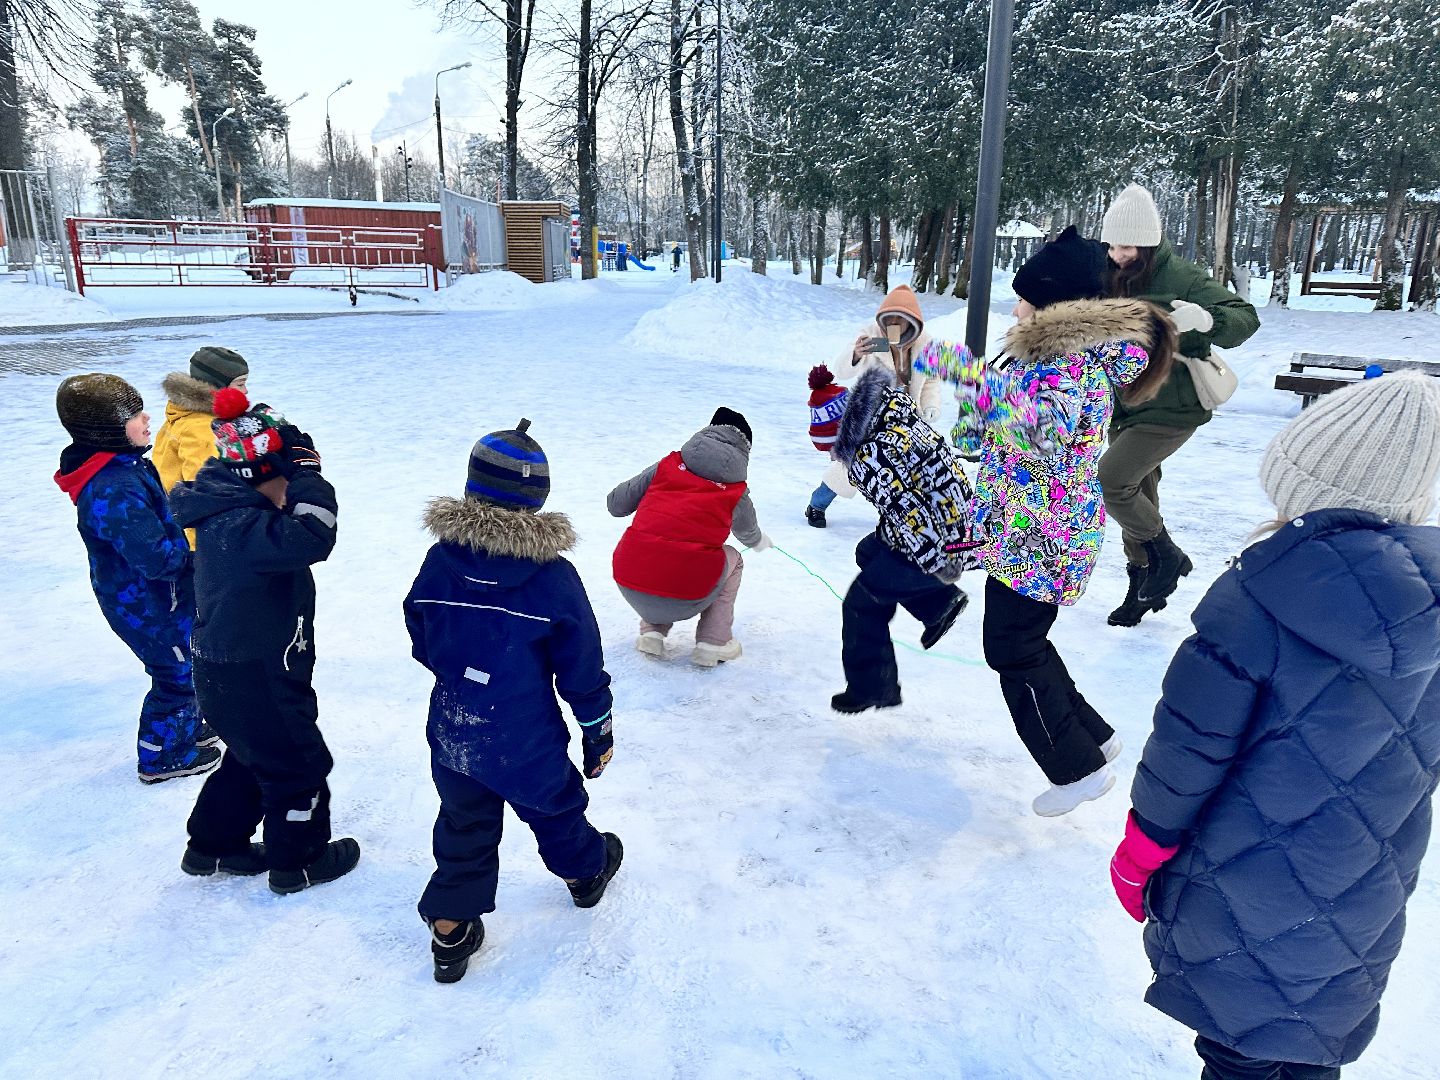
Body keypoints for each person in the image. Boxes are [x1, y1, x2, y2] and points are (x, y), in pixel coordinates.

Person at [1110, 372, 1440, 1080]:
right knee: (1310, 1049)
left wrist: (1141, 850)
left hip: (1241, 886)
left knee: (1239, 1055)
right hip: (1362, 896)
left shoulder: (1258, 594)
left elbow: (1188, 747)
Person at [918, 226, 1175, 816]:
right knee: (1026, 641)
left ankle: (1074, 768)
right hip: (1030, 529)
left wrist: (963, 376)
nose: (1016, 306)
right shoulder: (1048, 356)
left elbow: (1044, 431)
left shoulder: (1062, 361)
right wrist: (971, 408)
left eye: (1024, 298)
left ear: (1053, 306)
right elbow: (995, 433)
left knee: (1011, 649)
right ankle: (1097, 738)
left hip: (1039, 535)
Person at [404, 419, 623, 983]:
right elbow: (581, 667)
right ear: (537, 499)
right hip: (525, 736)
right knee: (553, 807)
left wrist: (455, 672)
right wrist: (597, 729)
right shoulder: (552, 579)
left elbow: (419, 625)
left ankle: (451, 928)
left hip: (454, 729)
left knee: (463, 820)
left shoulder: (439, 561)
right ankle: (585, 872)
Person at [171, 389, 359, 894]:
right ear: (260, 477)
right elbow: (315, 533)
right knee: (297, 767)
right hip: (259, 673)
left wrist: (291, 463)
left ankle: (212, 845)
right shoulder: (247, 527)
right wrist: (309, 475)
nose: (292, 494)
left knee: (252, 756)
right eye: (287, 482)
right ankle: (299, 861)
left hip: (227, 668)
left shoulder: (224, 508)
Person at [1097, 183, 1260, 626]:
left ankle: (1166, 557)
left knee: (1112, 481)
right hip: (1125, 405)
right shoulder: (1111, 276)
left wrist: (1207, 319)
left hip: (1173, 407)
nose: (1117, 254)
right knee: (1138, 493)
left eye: (1126, 245)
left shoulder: (1183, 278)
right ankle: (1145, 582)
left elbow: (1246, 319)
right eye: (1111, 244)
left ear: (1149, 244)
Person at [53, 373, 217, 784]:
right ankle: (162, 757)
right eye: (134, 414)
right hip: (145, 603)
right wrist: (198, 553)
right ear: (107, 429)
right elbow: (155, 558)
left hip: (160, 597)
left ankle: (187, 726)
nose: (147, 419)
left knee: (188, 662)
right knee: (174, 674)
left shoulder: (124, 465)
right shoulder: (114, 487)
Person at [827, 365, 980, 713]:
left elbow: (908, 513)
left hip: (942, 543)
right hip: (962, 525)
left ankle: (874, 687)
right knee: (868, 551)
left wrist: (941, 563)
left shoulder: (868, 457)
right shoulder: (898, 415)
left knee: (860, 603)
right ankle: (939, 604)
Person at [608, 408, 771, 667]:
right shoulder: (735, 490)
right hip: (687, 593)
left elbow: (616, 505)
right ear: (745, 449)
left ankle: (652, 630)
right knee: (733, 559)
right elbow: (747, 534)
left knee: (661, 547)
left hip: (630, 579)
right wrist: (760, 542)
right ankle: (713, 642)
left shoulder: (667, 466)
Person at [805, 285, 945, 528]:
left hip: (907, 416)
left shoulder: (926, 344)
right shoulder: (872, 336)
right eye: (888, 318)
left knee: (907, 468)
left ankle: (902, 517)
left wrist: (930, 405)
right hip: (872, 413)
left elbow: (932, 379)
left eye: (899, 320)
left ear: (912, 321)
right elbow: (841, 371)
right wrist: (856, 354)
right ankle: (817, 505)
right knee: (852, 463)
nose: (892, 324)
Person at [153, 346, 250, 549]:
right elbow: (204, 496)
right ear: (218, 386)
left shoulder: (183, 413)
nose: (246, 391)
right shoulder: (202, 428)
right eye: (240, 384)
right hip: (203, 543)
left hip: (181, 529)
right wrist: (206, 551)